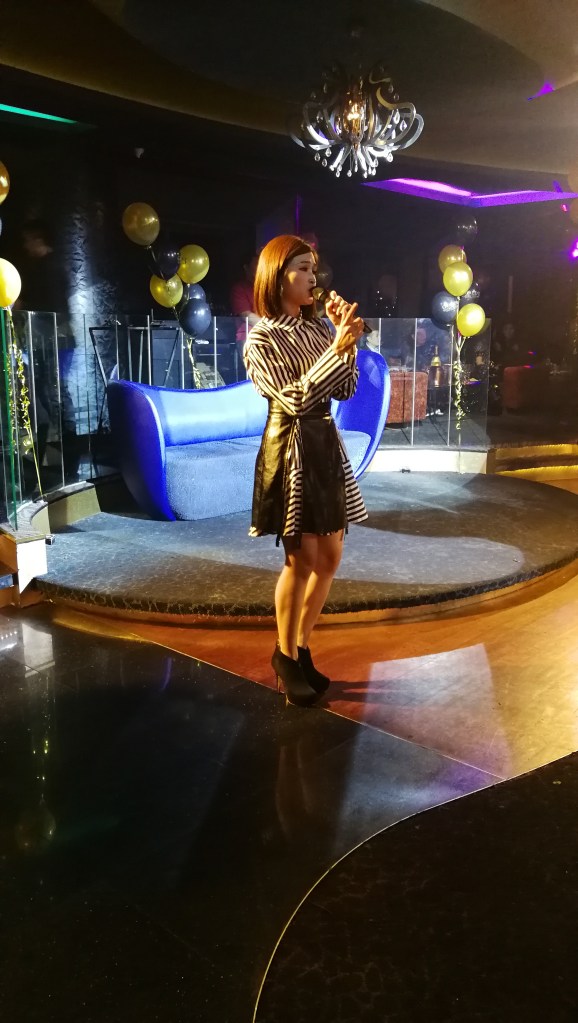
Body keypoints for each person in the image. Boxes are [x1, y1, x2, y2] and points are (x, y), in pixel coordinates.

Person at [243, 235, 366, 707]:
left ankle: (300, 647)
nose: (313, 278)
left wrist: (345, 342)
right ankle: (284, 654)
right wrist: (335, 347)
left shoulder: (317, 328)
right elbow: (293, 398)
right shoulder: (260, 338)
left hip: (324, 443)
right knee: (302, 560)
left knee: (330, 557)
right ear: (277, 277)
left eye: (313, 268)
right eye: (302, 268)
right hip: (291, 446)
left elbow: (346, 388)